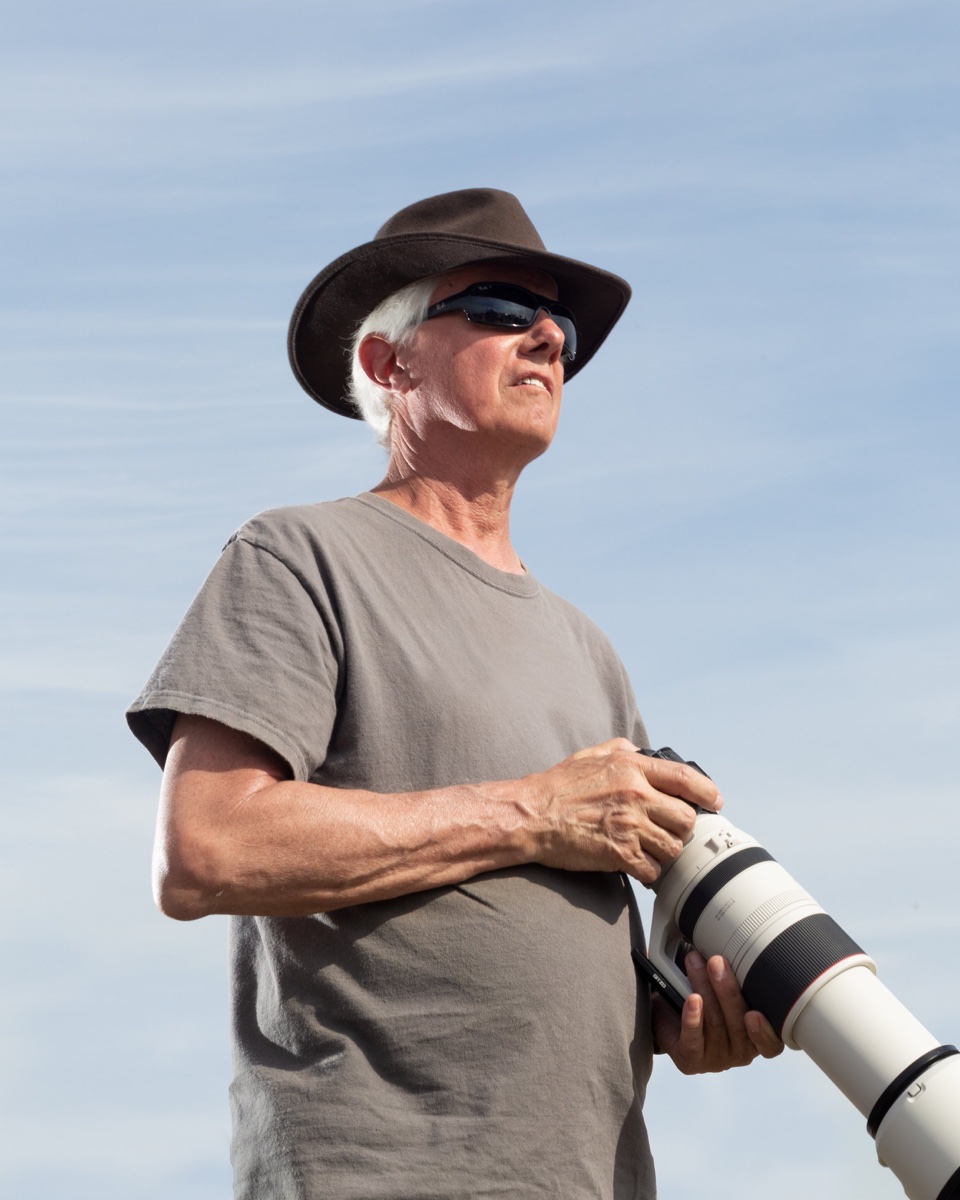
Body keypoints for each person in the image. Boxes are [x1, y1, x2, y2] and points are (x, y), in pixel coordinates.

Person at [127, 188, 782, 1199]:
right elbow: (207, 849)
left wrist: (684, 1021)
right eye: (500, 311)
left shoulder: (589, 650)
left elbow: (586, 922)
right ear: (389, 364)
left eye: (558, 325)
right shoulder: (299, 557)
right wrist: (531, 810)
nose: (548, 340)